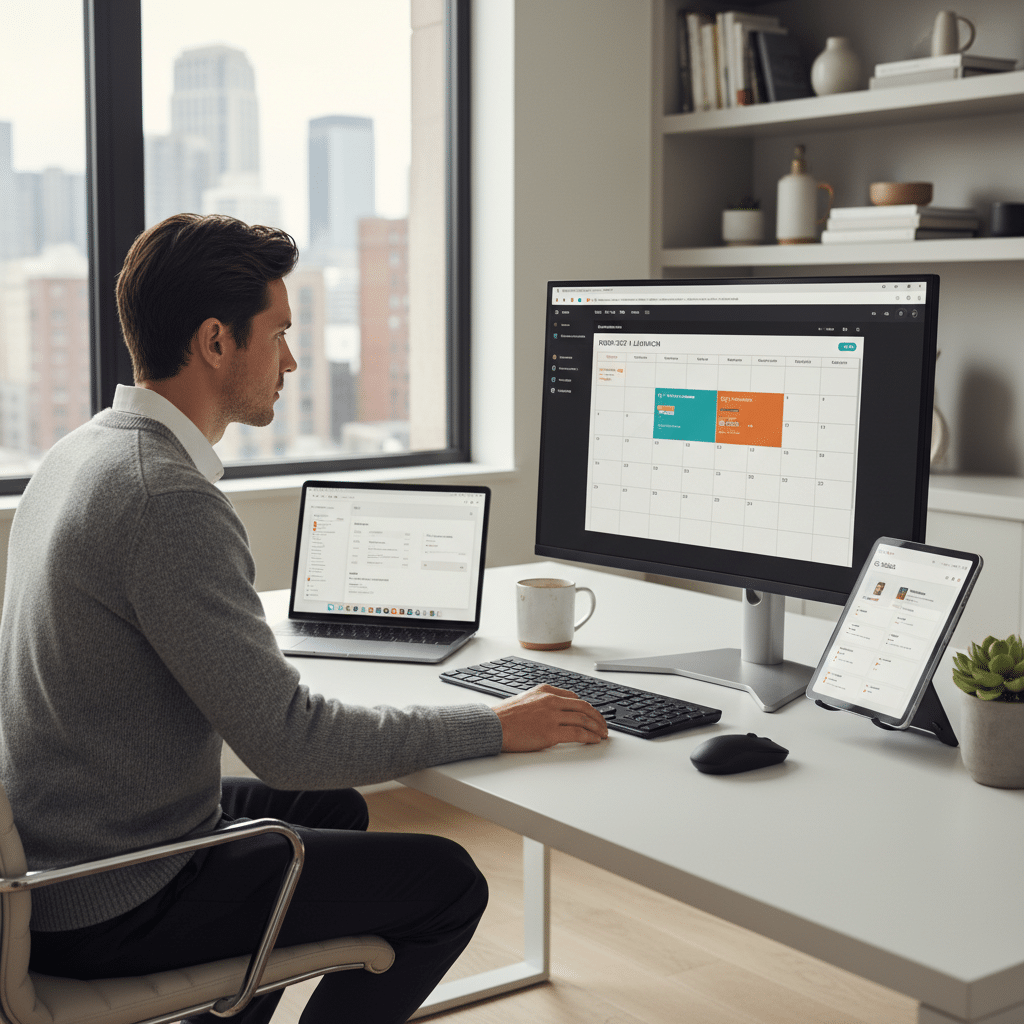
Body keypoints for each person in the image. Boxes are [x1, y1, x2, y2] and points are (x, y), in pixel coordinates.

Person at [0, 213, 608, 1024]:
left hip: (59, 856)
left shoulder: (83, 450)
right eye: (278, 333)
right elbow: (291, 739)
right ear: (216, 342)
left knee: (334, 811)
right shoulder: (165, 497)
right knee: (449, 885)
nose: (290, 359)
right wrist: (496, 725)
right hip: (114, 897)